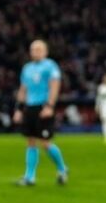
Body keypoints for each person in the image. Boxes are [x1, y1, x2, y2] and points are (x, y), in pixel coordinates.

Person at [12, 39, 68, 186]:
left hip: (43, 107)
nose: (35, 52)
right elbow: (23, 89)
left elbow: (54, 86)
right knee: (30, 141)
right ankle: (29, 177)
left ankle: (62, 168)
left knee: (45, 143)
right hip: (30, 107)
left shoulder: (50, 66)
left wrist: (49, 106)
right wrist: (19, 109)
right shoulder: (27, 68)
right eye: (33, 49)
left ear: (45, 51)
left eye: (38, 49)